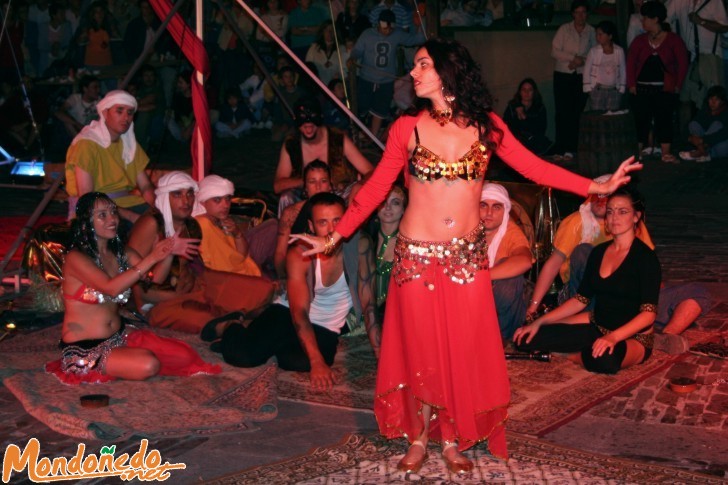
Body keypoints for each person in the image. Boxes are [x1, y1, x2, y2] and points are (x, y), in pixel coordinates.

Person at [289, 37, 640, 473]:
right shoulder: (406, 128)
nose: (413, 73)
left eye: (422, 65)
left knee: (458, 349)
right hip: (415, 256)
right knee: (419, 349)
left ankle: (452, 439)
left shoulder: (487, 126)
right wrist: (335, 236)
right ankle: (417, 438)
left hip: (466, 261)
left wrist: (595, 187)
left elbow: (534, 167)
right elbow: (377, 187)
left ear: (446, 72)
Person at [46, 192, 221, 384]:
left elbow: (153, 279)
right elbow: (110, 288)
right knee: (148, 365)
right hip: (84, 348)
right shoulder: (76, 259)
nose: (112, 219)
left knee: (184, 355)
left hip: (118, 336)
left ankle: (125, 356)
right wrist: (152, 258)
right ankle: (99, 363)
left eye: (113, 212)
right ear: (86, 222)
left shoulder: (122, 253)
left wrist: (169, 253)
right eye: (102, 215)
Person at [210, 193, 380, 387]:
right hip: (287, 313)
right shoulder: (300, 253)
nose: (332, 229)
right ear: (311, 226)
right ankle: (231, 325)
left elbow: (369, 304)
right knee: (243, 357)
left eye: (338, 221)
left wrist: (380, 355)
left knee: (295, 361)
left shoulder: (360, 245)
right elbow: (299, 311)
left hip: (326, 326)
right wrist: (317, 361)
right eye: (323, 222)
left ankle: (268, 341)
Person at [514, 187, 660, 374]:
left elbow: (648, 315)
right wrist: (539, 322)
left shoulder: (646, 258)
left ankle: (572, 355)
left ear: (636, 216)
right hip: (597, 326)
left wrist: (613, 338)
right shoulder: (598, 252)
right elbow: (580, 299)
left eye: (622, 212)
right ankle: (585, 348)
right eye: (610, 211)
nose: (614, 217)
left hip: (632, 337)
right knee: (525, 338)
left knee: (604, 361)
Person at [128, 172, 275, 333]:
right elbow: (134, 277)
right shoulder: (151, 224)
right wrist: (143, 307)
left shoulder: (191, 224)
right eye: (177, 194)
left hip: (196, 286)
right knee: (211, 321)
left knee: (262, 290)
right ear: (164, 197)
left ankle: (234, 312)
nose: (186, 201)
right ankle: (227, 319)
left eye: (190, 194)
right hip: (160, 302)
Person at [65, 90, 155, 224]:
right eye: (120, 111)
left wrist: (155, 209)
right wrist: (130, 216)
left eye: (130, 113)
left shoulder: (129, 144)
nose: (126, 117)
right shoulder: (87, 144)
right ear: (105, 113)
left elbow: (146, 186)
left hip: (129, 203)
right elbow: (87, 197)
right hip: (98, 210)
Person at [273, 98, 373, 214]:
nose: (309, 129)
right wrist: (309, 182)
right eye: (305, 126)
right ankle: (288, 231)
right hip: (307, 197)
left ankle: (350, 229)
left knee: (360, 192)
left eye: (312, 125)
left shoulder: (338, 138)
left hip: (340, 195)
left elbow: (370, 171)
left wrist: (360, 185)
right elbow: (278, 185)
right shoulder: (292, 144)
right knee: (286, 197)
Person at [627, 1, 688, 163]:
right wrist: (631, 84)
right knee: (641, 120)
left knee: (664, 119)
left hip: (664, 89)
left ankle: (665, 153)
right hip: (642, 88)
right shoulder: (640, 41)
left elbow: (682, 63)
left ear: (655, 19)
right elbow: (631, 62)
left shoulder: (673, 40)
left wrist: (678, 85)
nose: (642, 21)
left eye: (645, 18)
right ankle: (638, 153)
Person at [349, 10, 425, 139]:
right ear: (378, 24)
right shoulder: (367, 34)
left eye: (390, 28)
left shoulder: (397, 34)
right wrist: (353, 58)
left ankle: (373, 138)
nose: (387, 31)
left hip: (386, 80)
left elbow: (417, 39)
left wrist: (420, 24)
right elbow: (357, 50)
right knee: (362, 107)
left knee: (380, 109)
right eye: (385, 28)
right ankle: (361, 132)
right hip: (367, 78)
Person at [480, 183, 533, 340]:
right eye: (483, 205)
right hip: (469, 305)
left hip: (504, 313)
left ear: (505, 211)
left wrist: (480, 277)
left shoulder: (511, 232)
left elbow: (525, 261)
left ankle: (495, 339)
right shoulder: (465, 228)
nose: (489, 213)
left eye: (496, 207)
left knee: (510, 274)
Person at [551, 0, 596, 159]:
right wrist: (572, 58)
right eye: (577, 12)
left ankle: (572, 147)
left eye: (583, 12)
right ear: (572, 14)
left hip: (581, 75)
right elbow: (555, 51)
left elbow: (594, 52)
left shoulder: (591, 31)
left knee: (576, 112)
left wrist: (581, 60)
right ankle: (560, 146)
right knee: (562, 112)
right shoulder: (565, 29)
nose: (580, 16)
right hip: (563, 74)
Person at [192, 175, 261, 277]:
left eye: (227, 199)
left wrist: (237, 233)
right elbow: (222, 266)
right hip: (230, 277)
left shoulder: (221, 220)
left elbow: (242, 254)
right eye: (217, 200)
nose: (225, 205)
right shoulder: (203, 224)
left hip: (242, 268)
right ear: (203, 202)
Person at [275, 160, 333, 278]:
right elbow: (280, 253)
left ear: (330, 185)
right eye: (312, 182)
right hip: (300, 271)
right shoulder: (291, 213)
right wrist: (283, 278)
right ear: (305, 186)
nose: (318, 187)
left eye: (323, 181)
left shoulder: (339, 211)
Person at [371, 184, 406, 320]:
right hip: (362, 314)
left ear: (403, 209)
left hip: (394, 315)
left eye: (395, 202)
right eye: (383, 202)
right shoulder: (365, 238)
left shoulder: (409, 244)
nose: (388, 207)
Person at [502, 78, 553, 155]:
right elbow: (506, 126)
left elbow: (541, 128)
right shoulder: (512, 107)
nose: (526, 92)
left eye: (530, 90)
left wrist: (525, 119)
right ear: (520, 92)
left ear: (534, 92)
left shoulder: (539, 108)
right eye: (524, 90)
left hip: (534, 142)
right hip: (516, 142)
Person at [583, 20, 626, 112]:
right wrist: (588, 89)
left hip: (614, 90)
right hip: (597, 89)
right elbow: (587, 70)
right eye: (597, 34)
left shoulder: (619, 51)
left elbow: (623, 70)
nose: (597, 37)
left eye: (601, 34)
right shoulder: (593, 51)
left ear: (610, 36)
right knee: (597, 115)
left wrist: (622, 88)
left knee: (612, 116)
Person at [679, 85, 728, 162]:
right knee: (693, 124)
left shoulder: (725, 113)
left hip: (720, 146)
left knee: (717, 124)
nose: (713, 102)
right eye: (711, 99)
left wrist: (703, 141)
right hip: (704, 143)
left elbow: (724, 134)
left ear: (722, 101)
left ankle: (701, 152)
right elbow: (688, 127)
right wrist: (691, 138)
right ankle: (703, 153)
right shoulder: (705, 111)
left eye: (717, 99)